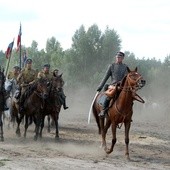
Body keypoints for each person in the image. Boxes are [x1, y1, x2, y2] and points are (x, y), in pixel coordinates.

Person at [96, 51, 128, 117]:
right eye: (117, 57)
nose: (118, 58)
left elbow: (126, 77)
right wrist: (100, 86)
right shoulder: (112, 66)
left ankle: (128, 114)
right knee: (110, 94)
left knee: (129, 97)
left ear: (122, 58)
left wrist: (121, 82)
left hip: (122, 87)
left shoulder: (125, 67)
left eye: (119, 57)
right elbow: (105, 77)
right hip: (113, 86)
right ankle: (103, 110)